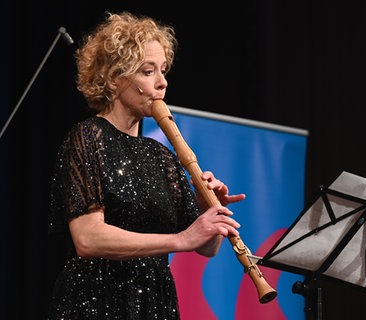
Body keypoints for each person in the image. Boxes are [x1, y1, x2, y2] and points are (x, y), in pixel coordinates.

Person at [47, 11, 244, 319]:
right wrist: (180, 240)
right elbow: (87, 238)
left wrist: (209, 211)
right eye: (148, 71)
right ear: (114, 78)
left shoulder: (162, 155)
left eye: (163, 71)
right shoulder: (87, 137)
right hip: (98, 300)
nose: (162, 83)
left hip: (155, 301)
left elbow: (208, 248)